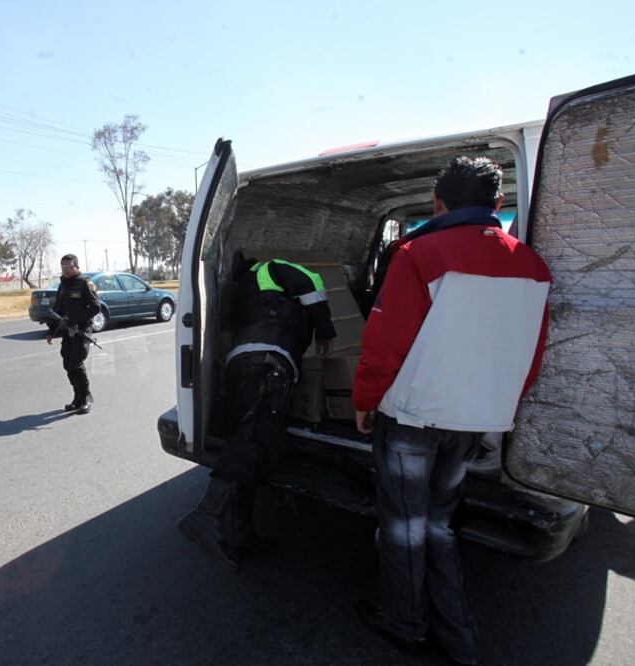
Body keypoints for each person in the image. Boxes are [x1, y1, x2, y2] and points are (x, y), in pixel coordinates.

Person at [351, 156, 551, 665]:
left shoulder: (419, 253)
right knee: (439, 523)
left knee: (404, 528)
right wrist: (497, 407)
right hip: (475, 421)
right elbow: (530, 354)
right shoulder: (533, 267)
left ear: (438, 203)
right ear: (498, 204)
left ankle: (406, 625)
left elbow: (384, 344)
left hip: (414, 419)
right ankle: (461, 639)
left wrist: (365, 402)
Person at [178, 253, 336, 572]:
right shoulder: (273, 267)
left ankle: (239, 532)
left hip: (243, 361)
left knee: (254, 447)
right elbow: (309, 283)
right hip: (269, 360)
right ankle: (207, 515)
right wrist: (326, 330)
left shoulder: (243, 289)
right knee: (253, 440)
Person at [45, 254, 100, 414]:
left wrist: (75, 319)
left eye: (69, 266)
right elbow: (58, 310)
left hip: (81, 330)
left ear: (76, 266)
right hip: (67, 331)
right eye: (63, 266)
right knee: (68, 364)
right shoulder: (62, 285)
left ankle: (86, 397)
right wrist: (51, 331)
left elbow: (96, 307)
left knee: (76, 363)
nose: (66, 269)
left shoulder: (85, 283)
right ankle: (77, 398)